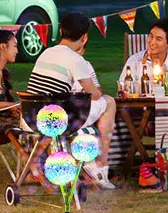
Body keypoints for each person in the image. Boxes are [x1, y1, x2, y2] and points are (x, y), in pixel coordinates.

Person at [27, 11, 117, 189]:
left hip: (31, 118)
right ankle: (100, 166)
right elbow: (95, 95)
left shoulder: (45, 53)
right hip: (57, 122)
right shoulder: (76, 59)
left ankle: (86, 163)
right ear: (84, 38)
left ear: (61, 32)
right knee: (109, 102)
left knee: (81, 106)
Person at [117, 18, 168, 96]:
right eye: (151, 36)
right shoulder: (135, 60)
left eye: (158, 39)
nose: (152, 42)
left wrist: (165, 81)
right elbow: (122, 91)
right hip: (140, 106)